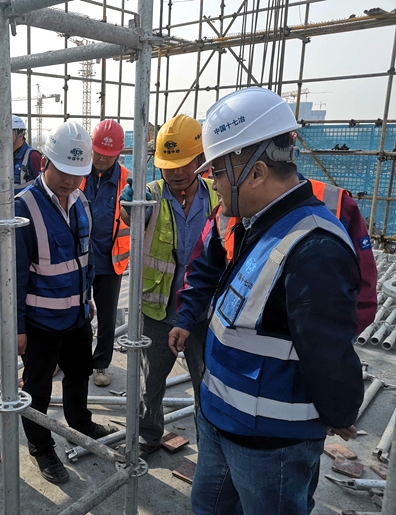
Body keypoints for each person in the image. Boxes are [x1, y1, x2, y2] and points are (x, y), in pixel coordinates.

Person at [169, 87, 363, 515]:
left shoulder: (313, 246)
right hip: (222, 420)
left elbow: (328, 350)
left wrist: (339, 409)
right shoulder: (257, 222)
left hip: (271, 444)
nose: (214, 183)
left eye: (218, 172)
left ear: (255, 173)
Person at [15, 121, 117, 484]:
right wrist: (17, 327)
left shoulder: (81, 202)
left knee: (79, 373)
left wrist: (86, 299)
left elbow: (84, 259)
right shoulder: (23, 207)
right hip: (41, 322)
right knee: (37, 388)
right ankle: (41, 447)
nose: (70, 181)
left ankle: (80, 423)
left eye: (77, 173)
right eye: (63, 171)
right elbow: (14, 276)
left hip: (76, 315)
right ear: (45, 162)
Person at [119, 115, 218, 459]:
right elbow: (132, 218)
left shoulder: (216, 197)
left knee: (207, 386)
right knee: (152, 383)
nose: (177, 172)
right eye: (169, 165)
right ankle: (149, 436)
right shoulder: (150, 195)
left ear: (200, 159)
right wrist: (129, 207)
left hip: (204, 313)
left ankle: (210, 450)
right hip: (158, 311)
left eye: (185, 163)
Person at [211, 175, 377, 332]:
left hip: (307, 342)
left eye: (219, 172)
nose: (215, 185)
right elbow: (207, 273)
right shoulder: (226, 208)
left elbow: (363, 291)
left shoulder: (336, 202)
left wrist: (336, 338)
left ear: (258, 171)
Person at [80, 119, 130, 387]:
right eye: (98, 152)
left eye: (108, 155)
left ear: (118, 153)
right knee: (76, 313)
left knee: (107, 318)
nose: (102, 159)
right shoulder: (78, 173)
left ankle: (100, 364)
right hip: (79, 260)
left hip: (110, 263)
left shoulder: (127, 180)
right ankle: (74, 358)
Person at [12, 115, 42, 193]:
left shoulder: (33, 156)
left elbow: (43, 186)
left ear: (20, 135)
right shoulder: (4, 158)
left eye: (8, 133)